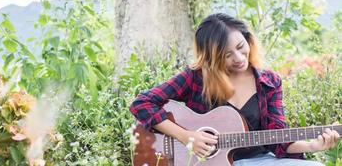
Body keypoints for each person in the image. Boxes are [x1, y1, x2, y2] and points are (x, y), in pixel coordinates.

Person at [129, 13, 340, 166]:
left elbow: (278, 140)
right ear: (211, 57)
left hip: (260, 161)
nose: (239, 59)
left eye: (240, 47)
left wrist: (314, 146)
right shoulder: (196, 77)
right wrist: (186, 136)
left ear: (248, 40)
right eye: (226, 55)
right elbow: (142, 103)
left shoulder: (269, 82)